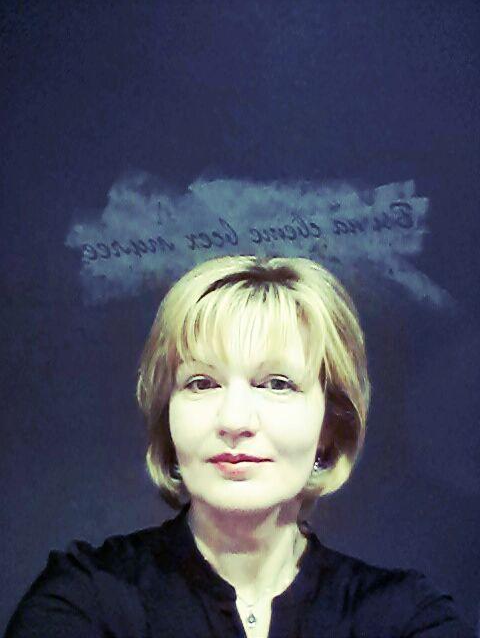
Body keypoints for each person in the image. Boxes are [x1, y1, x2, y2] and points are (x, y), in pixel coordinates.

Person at [5, 255, 474, 637]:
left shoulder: (403, 617)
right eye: (202, 383)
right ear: (168, 418)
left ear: (330, 425)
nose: (234, 421)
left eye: (276, 384)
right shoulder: (85, 600)